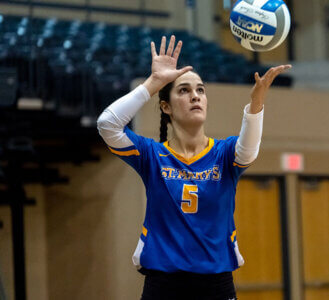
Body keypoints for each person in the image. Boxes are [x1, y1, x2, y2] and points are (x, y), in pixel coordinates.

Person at [97, 35, 291, 300]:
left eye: (200, 90)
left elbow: (249, 150)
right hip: (163, 284)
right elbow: (107, 124)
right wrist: (154, 83)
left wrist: (256, 103)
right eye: (184, 90)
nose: (195, 96)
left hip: (215, 284)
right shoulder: (152, 155)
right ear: (166, 107)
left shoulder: (224, 154)